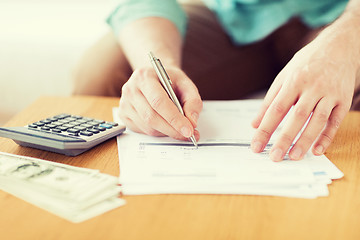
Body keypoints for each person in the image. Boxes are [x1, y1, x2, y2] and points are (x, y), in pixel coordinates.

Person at [73, 0, 360, 162]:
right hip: (235, 14)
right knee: (109, 70)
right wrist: (157, 66)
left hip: (346, 15)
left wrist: (347, 39)